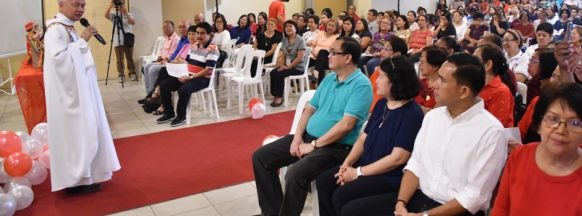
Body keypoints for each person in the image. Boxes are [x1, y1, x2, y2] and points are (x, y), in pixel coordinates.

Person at [340, 53, 507, 216]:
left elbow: (473, 197)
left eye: (442, 80)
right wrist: (401, 203)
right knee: (352, 210)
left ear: (463, 91)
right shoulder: (434, 117)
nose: (433, 84)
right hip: (419, 198)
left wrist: (425, 215)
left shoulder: (491, 132)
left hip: (454, 210)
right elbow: (415, 164)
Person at [252, 36, 372, 216]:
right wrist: (297, 137)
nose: (328, 56)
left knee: (295, 175)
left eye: (333, 52)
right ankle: (272, 212)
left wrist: (314, 145)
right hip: (308, 137)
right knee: (261, 157)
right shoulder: (331, 78)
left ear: (347, 58)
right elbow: (309, 109)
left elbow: (346, 125)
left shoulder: (361, 85)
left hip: (335, 146)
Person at [316, 55, 423, 216]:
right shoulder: (382, 104)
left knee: (342, 195)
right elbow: (363, 138)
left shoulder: (411, 114)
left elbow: (397, 158)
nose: (376, 81)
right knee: (325, 182)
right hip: (367, 163)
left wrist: (358, 172)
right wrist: (346, 165)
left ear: (396, 81)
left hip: (389, 175)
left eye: (381, 77)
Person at [44, 0, 121, 193]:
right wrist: (82, 41)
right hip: (68, 96)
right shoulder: (55, 30)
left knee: (87, 131)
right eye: (75, 4)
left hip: (79, 91)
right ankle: (75, 180)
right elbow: (59, 62)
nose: (80, 9)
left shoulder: (68, 27)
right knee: (76, 134)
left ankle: (88, 175)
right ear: (61, 4)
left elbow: (74, 57)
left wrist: (79, 43)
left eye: (83, 5)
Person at [491, 83, 582, 216]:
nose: (561, 130)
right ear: (539, 124)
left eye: (575, 123)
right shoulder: (520, 156)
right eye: (553, 119)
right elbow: (501, 209)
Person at [155, 22, 219, 127]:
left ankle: (181, 117)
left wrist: (191, 77)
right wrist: (180, 72)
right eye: (197, 33)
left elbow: (208, 70)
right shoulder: (194, 46)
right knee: (164, 85)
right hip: (188, 75)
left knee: (183, 90)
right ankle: (169, 113)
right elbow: (188, 63)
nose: (199, 36)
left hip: (202, 78)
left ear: (209, 34)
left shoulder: (213, 49)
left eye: (202, 33)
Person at [474, 43, 516, 128]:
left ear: (488, 65)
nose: (470, 63)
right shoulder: (474, 84)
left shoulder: (501, 92)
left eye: (475, 60)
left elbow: (493, 127)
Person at [269, 20, 307, 107]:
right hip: (288, 65)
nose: (288, 28)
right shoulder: (285, 40)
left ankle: (279, 97)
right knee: (273, 72)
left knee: (279, 74)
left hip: (297, 67)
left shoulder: (300, 40)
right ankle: (275, 94)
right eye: (286, 27)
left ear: (295, 28)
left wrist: (289, 67)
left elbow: (300, 57)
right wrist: (280, 65)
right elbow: (283, 55)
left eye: (291, 26)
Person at [142, 20, 180, 95]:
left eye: (168, 27)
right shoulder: (166, 38)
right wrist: (158, 58)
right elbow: (162, 50)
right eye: (164, 27)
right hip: (162, 60)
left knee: (152, 70)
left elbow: (173, 55)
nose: (166, 29)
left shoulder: (176, 39)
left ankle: (154, 94)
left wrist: (165, 60)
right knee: (146, 67)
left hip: (169, 62)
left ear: (173, 28)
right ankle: (148, 92)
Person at [104, 0, 136, 80]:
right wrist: (110, 6)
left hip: (128, 40)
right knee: (119, 59)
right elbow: (106, 16)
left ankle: (132, 73)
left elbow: (133, 22)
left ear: (124, 3)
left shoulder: (128, 14)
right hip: (117, 40)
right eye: (118, 3)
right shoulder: (114, 15)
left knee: (129, 57)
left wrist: (126, 13)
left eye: (121, 3)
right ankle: (121, 74)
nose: (120, 5)